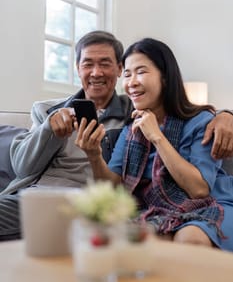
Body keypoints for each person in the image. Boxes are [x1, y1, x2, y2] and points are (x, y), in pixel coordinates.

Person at [0, 31, 232, 241]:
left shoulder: (133, 115)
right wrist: (62, 137)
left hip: (88, 201)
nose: (96, 72)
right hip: (32, 194)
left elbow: (198, 184)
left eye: (106, 64)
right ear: (77, 68)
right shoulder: (52, 112)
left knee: (160, 238)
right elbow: (23, 167)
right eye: (88, 63)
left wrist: (226, 115)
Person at [75, 37, 233, 251]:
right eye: (128, 74)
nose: (131, 82)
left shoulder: (202, 122)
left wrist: (157, 137)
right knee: (137, 241)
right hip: (157, 210)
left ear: (165, 78)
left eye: (141, 72)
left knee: (189, 240)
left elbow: (199, 189)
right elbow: (113, 187)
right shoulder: (130, 130)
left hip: (212, 205)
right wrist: (93, 155)